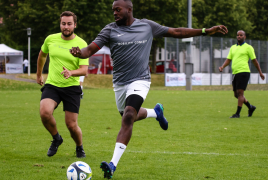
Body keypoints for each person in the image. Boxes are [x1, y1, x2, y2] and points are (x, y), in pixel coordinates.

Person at [70, 0, 228, 178]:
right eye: (113, 10)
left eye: (117, 9)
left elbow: (176, 31)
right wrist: (79, 53)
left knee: (129, 115)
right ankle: (156, 112)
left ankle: (112, 165)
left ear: (129, 10)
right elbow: (90, 50)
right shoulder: (109, 30)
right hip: (120, 83)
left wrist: (205, 31)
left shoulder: (147, 26)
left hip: (140, 80)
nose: (114, 13)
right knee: (127, 115)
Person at [36, 11, 89, 158]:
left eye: (69, 24)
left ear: (75, 25)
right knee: (44, 112)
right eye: (63, 23)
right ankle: (56, 138)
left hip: (72, 87)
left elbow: (84, 70)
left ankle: (79, 147)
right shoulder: (50, 39)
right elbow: (42, 55)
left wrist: (71, 73)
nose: (66, 27)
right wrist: (39, 74)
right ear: (60, 24)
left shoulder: (82, 44)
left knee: (71, 125)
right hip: (52, 84)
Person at [219, 30, 265, 118]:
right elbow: (229, 59)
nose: (239, 36)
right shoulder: (233, 47)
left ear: (245, 37)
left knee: (240, 93)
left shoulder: (248, 47)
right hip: (235, 73)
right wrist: (222, 67)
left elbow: (254, 61)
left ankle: (237, 114)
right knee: (236, 94)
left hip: (244, 72)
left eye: (241, 35)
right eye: (238, 35)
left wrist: (260, 72)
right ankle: (250, 107)